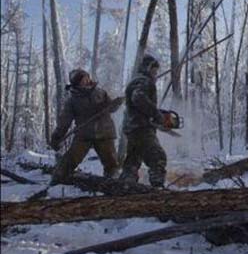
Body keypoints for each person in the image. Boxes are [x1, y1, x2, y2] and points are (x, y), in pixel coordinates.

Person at [49, 69, 122, 185]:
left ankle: (113, 183)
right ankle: (56, 180)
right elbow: (64, 121)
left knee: (111, 163)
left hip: (104, 133)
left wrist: (115, 103)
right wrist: (57, 136)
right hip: (84, 135)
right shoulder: (72, 100)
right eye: (82, 80)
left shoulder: (101, 93)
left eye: (86, 77)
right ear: (76, 84)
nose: (86, 81)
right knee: (70, 159)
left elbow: (111, 108)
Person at [119, 54, 169, 188]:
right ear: (148, 68)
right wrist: (156, 114)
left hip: (132, 128)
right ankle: (157, 187)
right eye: (154, 70)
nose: (156, 73)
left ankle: (126, 185)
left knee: (133, 160)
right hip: (141, 128)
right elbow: (138, 98)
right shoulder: (144, 81)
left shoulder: (136, 81)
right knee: (158, 156)